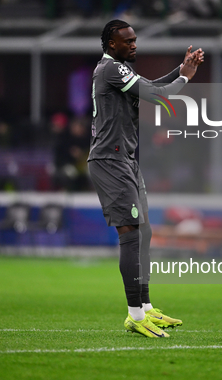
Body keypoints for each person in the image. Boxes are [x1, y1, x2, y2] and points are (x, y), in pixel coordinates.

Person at [88, 19, 203, 338]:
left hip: (125, 159)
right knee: (132, 235)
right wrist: (183, 76)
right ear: (112, 44)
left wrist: (181, 69)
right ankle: (135, 315)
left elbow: (148, 84)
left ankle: (147, 309)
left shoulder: (119, 69)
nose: (134, 45)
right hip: (110, 161)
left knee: (145, 232)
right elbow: (155, 94)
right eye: (128, 41)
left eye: (135, 39)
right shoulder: (110, 69)